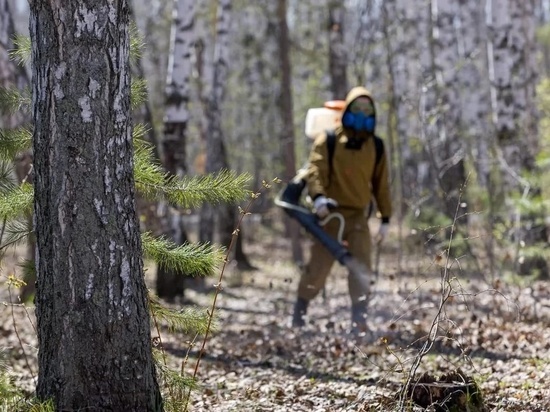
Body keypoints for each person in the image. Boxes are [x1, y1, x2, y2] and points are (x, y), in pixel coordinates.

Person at [291, 86, 392, 333]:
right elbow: (315, 171)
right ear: (347, 110)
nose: (362, 114)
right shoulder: (329, 140)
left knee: (362, 267)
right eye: (357, 108)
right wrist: (318, 199)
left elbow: (381, 184)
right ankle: (299, 314)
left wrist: (385, 217)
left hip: (358, 217)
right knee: (317, 269)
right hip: (330, 215)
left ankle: (359, 320)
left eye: (367, 109)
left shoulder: (376, 147)